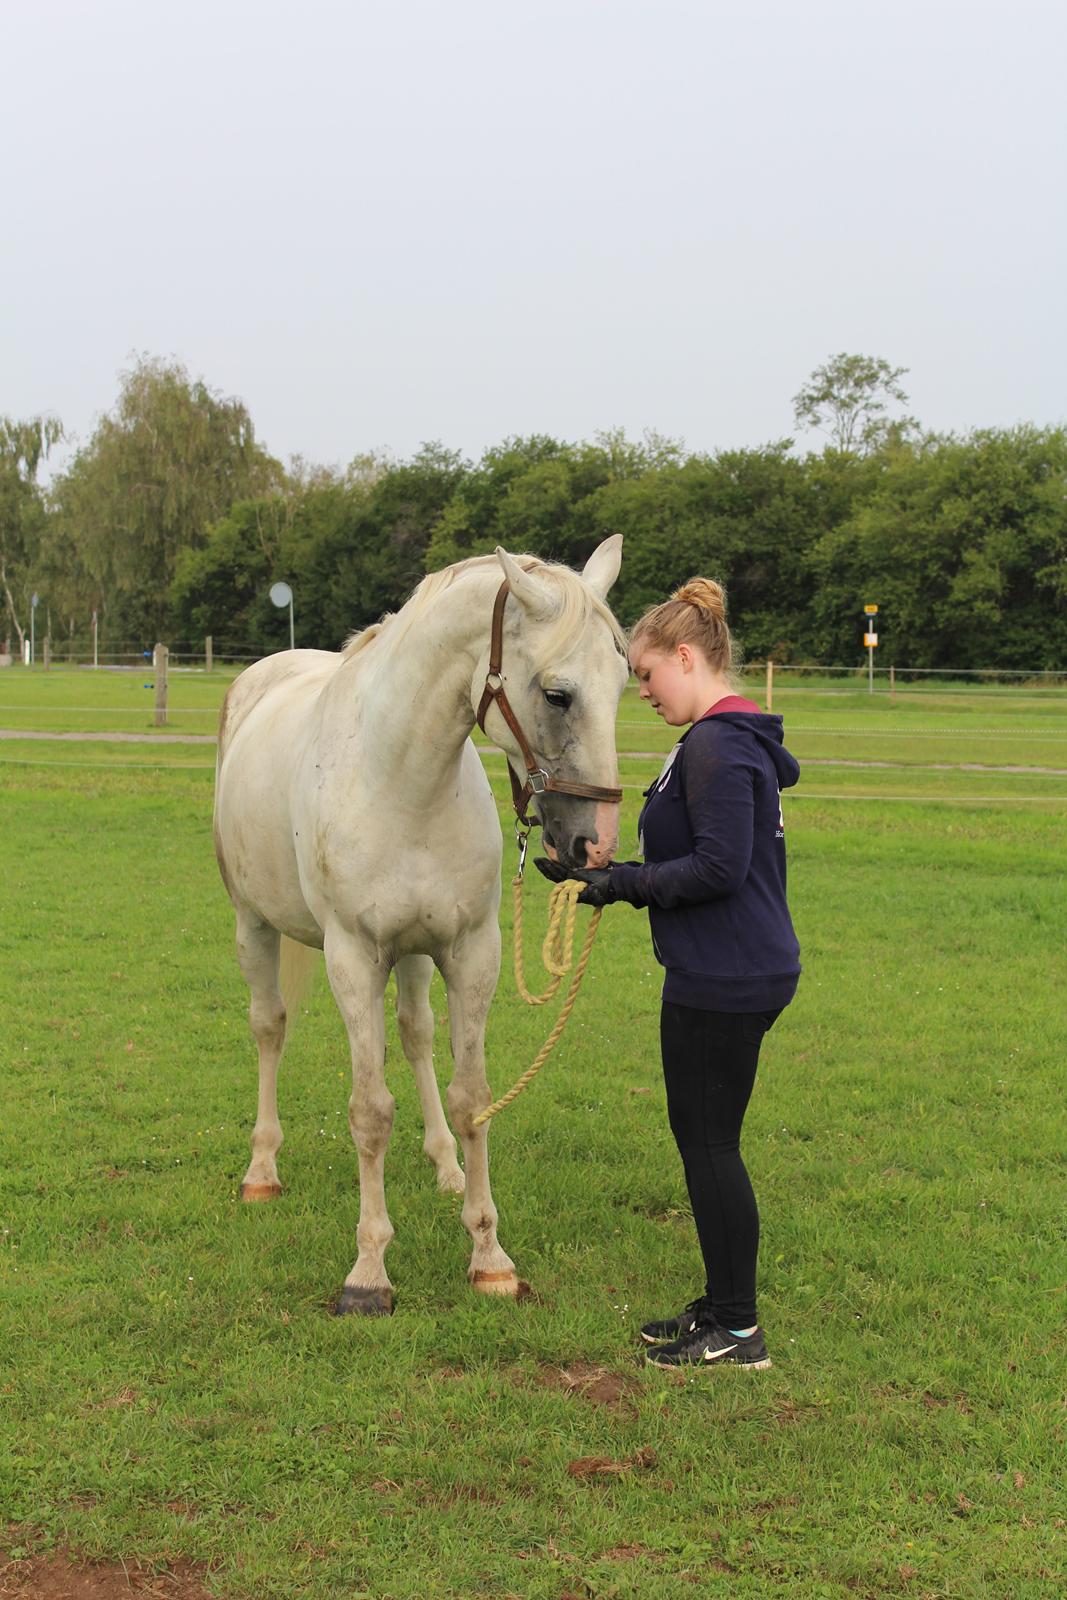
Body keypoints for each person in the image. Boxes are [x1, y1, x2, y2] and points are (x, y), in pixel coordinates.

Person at [537, 578, 800, 1370]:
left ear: (685, 657)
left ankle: (740, 1331)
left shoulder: (718, 744)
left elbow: (718, 867)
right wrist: (603, 875)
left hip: (727, 974)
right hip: (723, 965)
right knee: (702, 1143)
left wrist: (619, 885)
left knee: (711, 1147)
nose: (642, 691)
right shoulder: (715, 738)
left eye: (647, 675)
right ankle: (721, 1306)